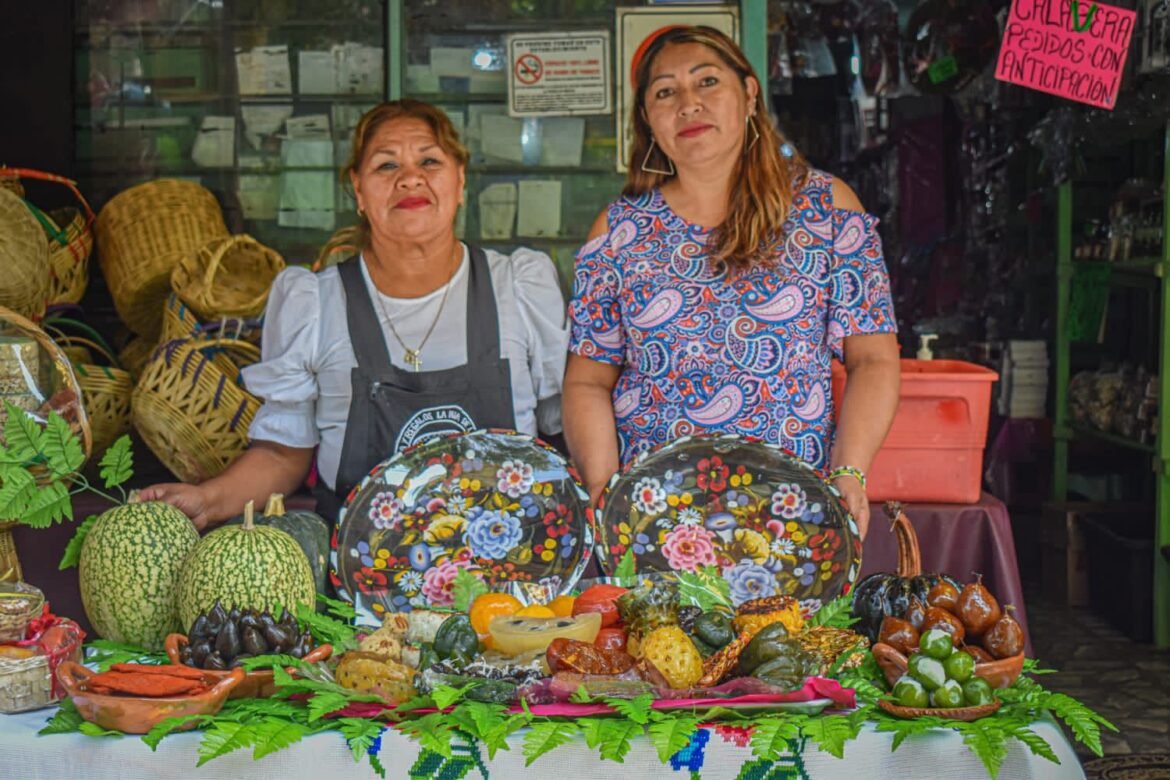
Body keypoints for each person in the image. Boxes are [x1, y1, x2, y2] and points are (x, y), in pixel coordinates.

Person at [140, 99, 569, 529]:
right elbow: (281, 455)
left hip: (510, 581)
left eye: (429, 160)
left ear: (460, 182)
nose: (409, 178)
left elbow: (567, 427)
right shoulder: (315, 303)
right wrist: (208, 499)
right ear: (358, 190)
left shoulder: (517, 288)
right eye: (386, 166)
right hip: (357, 580)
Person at [562, 26, 899, 538]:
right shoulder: (617, 233)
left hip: (793, 511)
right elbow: (588, 380)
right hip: (654, 518)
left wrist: (849, 470)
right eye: (665, 92)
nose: (688, 104)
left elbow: (872, 358)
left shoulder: (826, 209)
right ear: (649, 121)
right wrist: (606, 485)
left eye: (707, 82)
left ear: (749, 94)